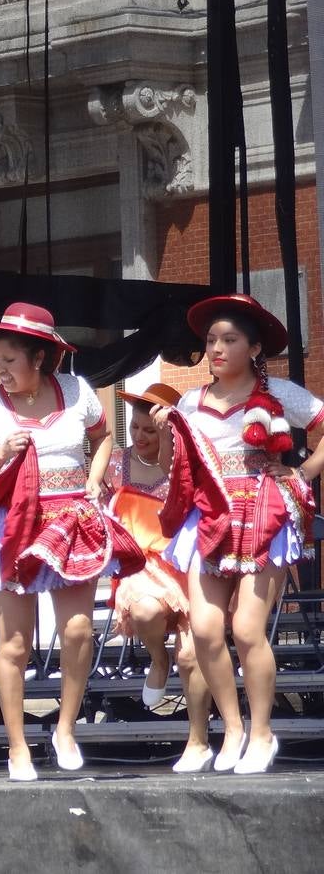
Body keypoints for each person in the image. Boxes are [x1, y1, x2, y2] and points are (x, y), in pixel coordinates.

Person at [0, 302, 143, 781]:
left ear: (39, 357)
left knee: (77, 632)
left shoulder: (76, 391)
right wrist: (0, 455)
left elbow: (105, 437)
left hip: (72, 519)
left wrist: (95, 479)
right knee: (14, 643)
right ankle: (16, 748)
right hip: (14, 525)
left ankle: (65, 729)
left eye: (10, 359)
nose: (1, 369)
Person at [154, 294, 324, 774]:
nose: (217, 348)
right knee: (206, 629)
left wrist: (302, 475)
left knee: (247, 628)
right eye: (211, 340)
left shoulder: (279, 393)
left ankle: (263, 732)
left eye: (229, 340)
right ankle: (231, 729)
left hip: (263, 512)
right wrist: (168, 435)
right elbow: (176, 468)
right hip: (209, 517)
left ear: (253, 348)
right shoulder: (190, 401)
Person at [105, 383, 211, 773]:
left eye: (150, 429)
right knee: (147, 612)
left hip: (182, 564)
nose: (140, 436)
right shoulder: (117, 464)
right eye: (135, 428)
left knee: (191, 654)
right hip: (139, 565)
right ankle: (156, 659)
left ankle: (197, 737)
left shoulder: (185, 465)